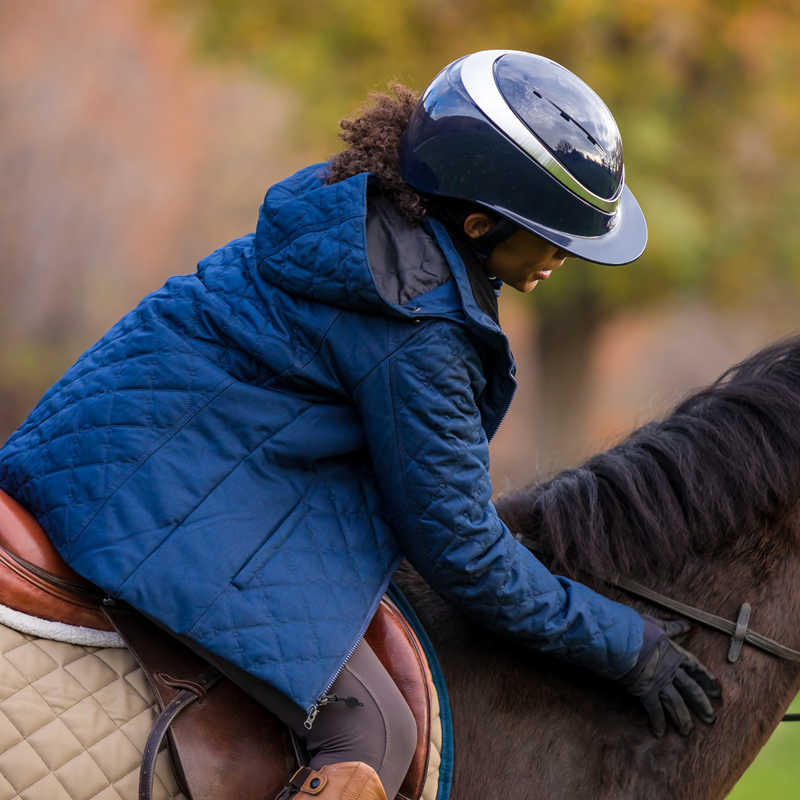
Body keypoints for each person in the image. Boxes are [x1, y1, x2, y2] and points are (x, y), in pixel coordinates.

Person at [0, 50, 720, 799]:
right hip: (149, 500)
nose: (562, 260)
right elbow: (464, 551)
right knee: (373, 732)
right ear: (476, 223)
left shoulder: (351, 214)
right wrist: (628, 645)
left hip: (105, 454)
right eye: (556, 240)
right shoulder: (417, 323)